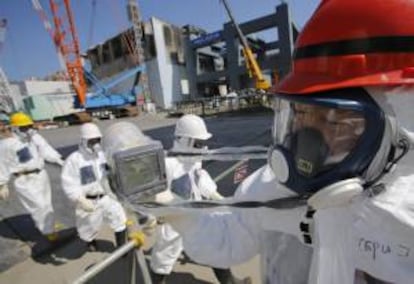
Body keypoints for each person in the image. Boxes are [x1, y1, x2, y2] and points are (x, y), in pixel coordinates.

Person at [152, 1, 414, 283]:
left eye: (332, 119)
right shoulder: (273, 188)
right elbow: (227, 238)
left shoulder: (404, 217)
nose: (305, 135)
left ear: (403, 130)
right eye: (300, 113)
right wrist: (178, 213)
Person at [151, 114, 250, 284]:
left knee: (214, 248)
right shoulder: (168, 164)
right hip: (173, 221)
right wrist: (152, 215)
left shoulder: (194, 160)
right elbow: (154, 190)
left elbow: (200, 178)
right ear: (184, 141)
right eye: (198, 143)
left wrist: (215, 196)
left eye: (203, 143)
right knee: (163, 259)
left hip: (196, 216)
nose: (203, 148)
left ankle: (230, 282)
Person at [61, 122, 127, 251]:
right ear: (83, 141)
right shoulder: (74, 160)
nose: (95, 144)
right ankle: (90, 241)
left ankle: (122, 249)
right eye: (92, 141)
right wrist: (80, 199)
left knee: (119, 220)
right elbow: (69, 183)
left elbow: (111, 172)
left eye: (98, 140)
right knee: (88, 228)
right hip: (88, 201)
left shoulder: (102, 156)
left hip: (106, 197)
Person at [0, 112, 64, 241]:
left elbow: (47, 150)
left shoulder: (35, 138)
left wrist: (62, 162)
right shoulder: (6, 145)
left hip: (41, 175)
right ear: (14, 128)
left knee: (46, 203)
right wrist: (2, 184)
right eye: (23, 128)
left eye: (29, 126)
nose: (27, 130)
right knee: (38, 206)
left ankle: (48, 224)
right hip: (24, 179)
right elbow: (2, 164)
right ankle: (48, 232)